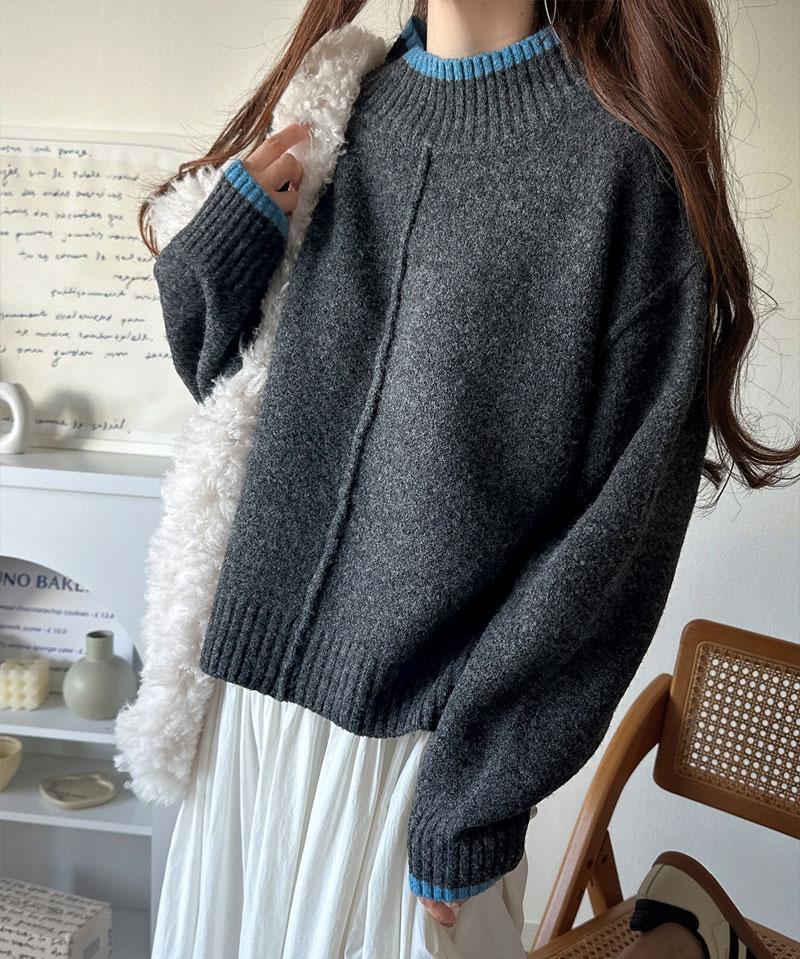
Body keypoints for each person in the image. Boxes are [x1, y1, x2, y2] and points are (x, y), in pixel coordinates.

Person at [126, 0, 798, 956]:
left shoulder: (620, 164)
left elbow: (613, 543)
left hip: (418, 762)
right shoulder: (337, 101)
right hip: (245, 718)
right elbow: (227, 390)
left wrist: (475, 794)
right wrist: (220, 245)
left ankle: (682, 934)